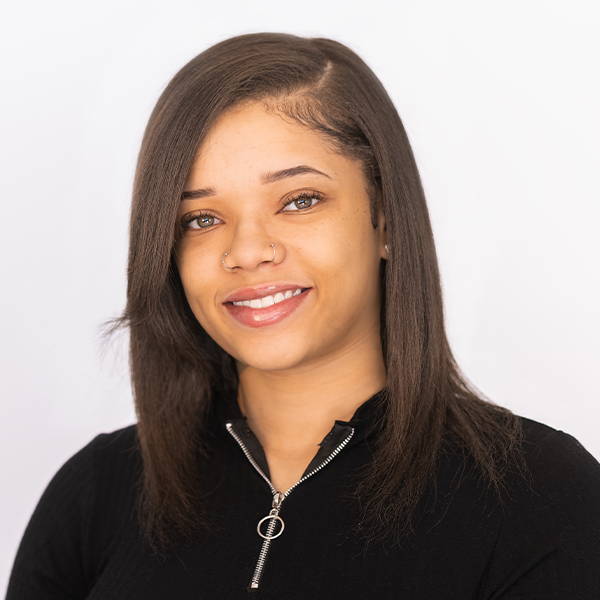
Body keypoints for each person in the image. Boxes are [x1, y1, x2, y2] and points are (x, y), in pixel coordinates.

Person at [6, 32, 600, 599]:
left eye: (298, 201)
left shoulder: (539, 493)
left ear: (386, 218)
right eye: (202, 219)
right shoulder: (97, 492)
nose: (246, 250)